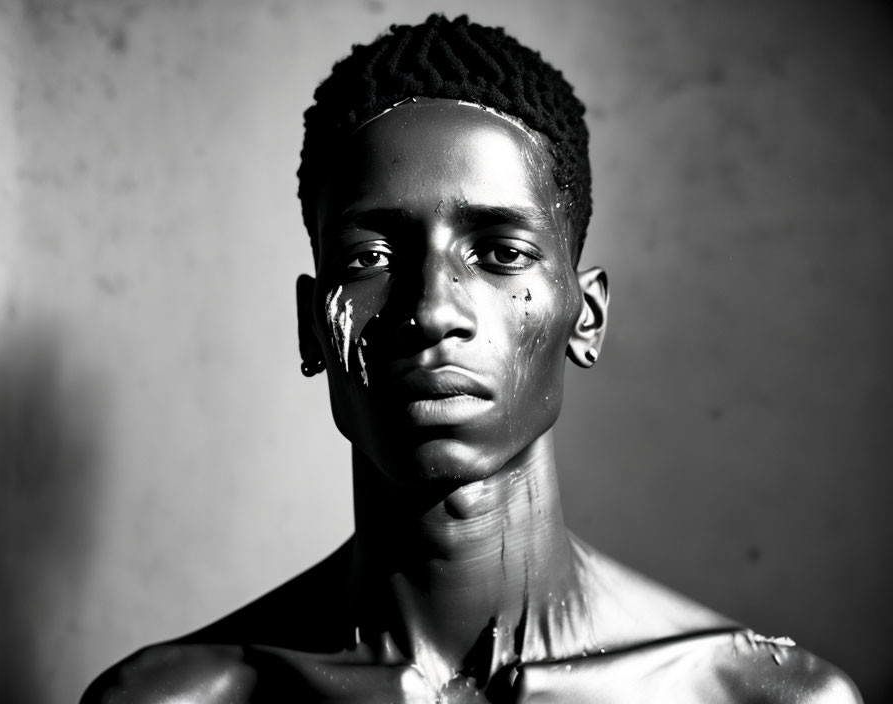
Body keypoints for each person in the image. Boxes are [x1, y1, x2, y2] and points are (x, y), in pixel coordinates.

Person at [81, 14, 861, 703]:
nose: (433, 310)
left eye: (500, 252)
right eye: (370, 256)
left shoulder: (757, 698)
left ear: (583, 317)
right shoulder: (182, 699)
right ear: (311, 328)